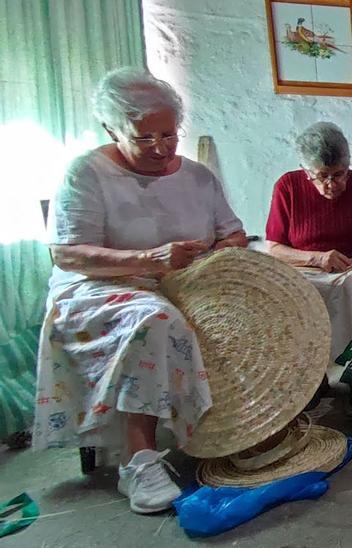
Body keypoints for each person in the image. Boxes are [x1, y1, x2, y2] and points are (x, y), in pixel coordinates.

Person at [34, 68, 247, 513]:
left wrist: (211, 256)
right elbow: (68, 254)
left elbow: (234, 235)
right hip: (102, 289)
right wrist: (148, 260)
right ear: (112, 130)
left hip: (182, 282)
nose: (161, 148)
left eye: (169, 135)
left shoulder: (197, 177)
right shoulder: (87, 174)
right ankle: (139, 460)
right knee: (154, 319)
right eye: (144, 138)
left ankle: (238, 426)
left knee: (255, 302)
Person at [265, 122, 352, 362]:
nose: (331, 185)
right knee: (294, 289)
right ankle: (310, 372)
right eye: (322, 176)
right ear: (306, 171)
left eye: (338, 175)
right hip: (308, 271)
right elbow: (274, 248)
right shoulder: (288, 186)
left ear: (347, 166)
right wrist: (317, 258)